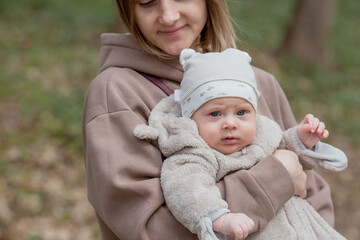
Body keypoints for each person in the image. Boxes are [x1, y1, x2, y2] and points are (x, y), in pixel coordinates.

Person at [82, 0, 337, 239]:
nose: (168, 16)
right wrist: (277, 179)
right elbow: (149, 228)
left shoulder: (261, 83)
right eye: (147, 1)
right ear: (129, 10)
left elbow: (315, 199)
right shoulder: (116, 92)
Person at [134, 48, 348, 240]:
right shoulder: (194, 154)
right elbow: (186, 190)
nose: (230, 123)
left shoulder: (260, 135)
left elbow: (281, 150)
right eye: (215, 113)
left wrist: (301, 140)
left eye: (241, 112)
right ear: (191, 117)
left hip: (306, 228)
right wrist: (221, 218)